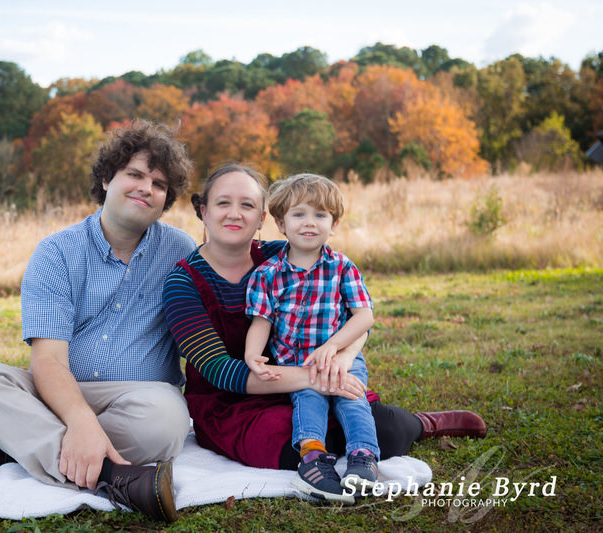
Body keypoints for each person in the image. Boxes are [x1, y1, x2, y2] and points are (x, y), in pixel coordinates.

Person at [162, 164, 487, 501]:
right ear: (203, 211)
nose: (234, 214)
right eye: (222, 203)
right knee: (282, 441)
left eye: (247, 205)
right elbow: (221, 372)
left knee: (382, 429)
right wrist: (314, 378)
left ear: (263, 218)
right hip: (234, 400)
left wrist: (340, 359)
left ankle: (423, 424)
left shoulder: (288, 254)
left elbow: (353, 319)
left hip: (317, 376)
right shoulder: (183, 283)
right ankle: (320, 456)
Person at [0, 120, 197, 522]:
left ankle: (13, 448)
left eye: (160, 184)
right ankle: (114, 475)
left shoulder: (180, 251)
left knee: (168, 419)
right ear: (107, 177)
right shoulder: (57, 252)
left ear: (166, 199)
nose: (147, 188)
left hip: (137, 398)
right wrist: (78, 420)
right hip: (56, 390)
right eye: (135, 174)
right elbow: (48, 362)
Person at [244, 173, 377, 503]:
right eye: (299, 214)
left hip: (340, 355)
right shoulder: (268, 274)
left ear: (333, 225)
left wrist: (333, 347)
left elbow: (364, 315)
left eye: (320, 215)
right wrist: (252, 355)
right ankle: (313, 457)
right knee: (309, 401)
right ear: (280, 222)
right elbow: (262, 321)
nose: (310, 223)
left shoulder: (342, 267)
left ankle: (363, 457)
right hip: (296, 362)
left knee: (352, 397)